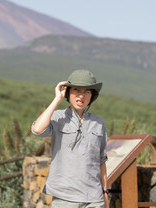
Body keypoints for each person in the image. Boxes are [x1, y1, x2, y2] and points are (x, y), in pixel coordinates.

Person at [32, 69, 109, 208]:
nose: (81, 96)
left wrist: (105, 192)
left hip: (94, 198)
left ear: (92, 95)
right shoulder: (57, 117)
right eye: (76, 90)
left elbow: (101, 161)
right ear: (68, 92)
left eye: (87, 92)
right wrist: (57, 99)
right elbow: (37, 130)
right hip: (64, 198)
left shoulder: (99, 122)